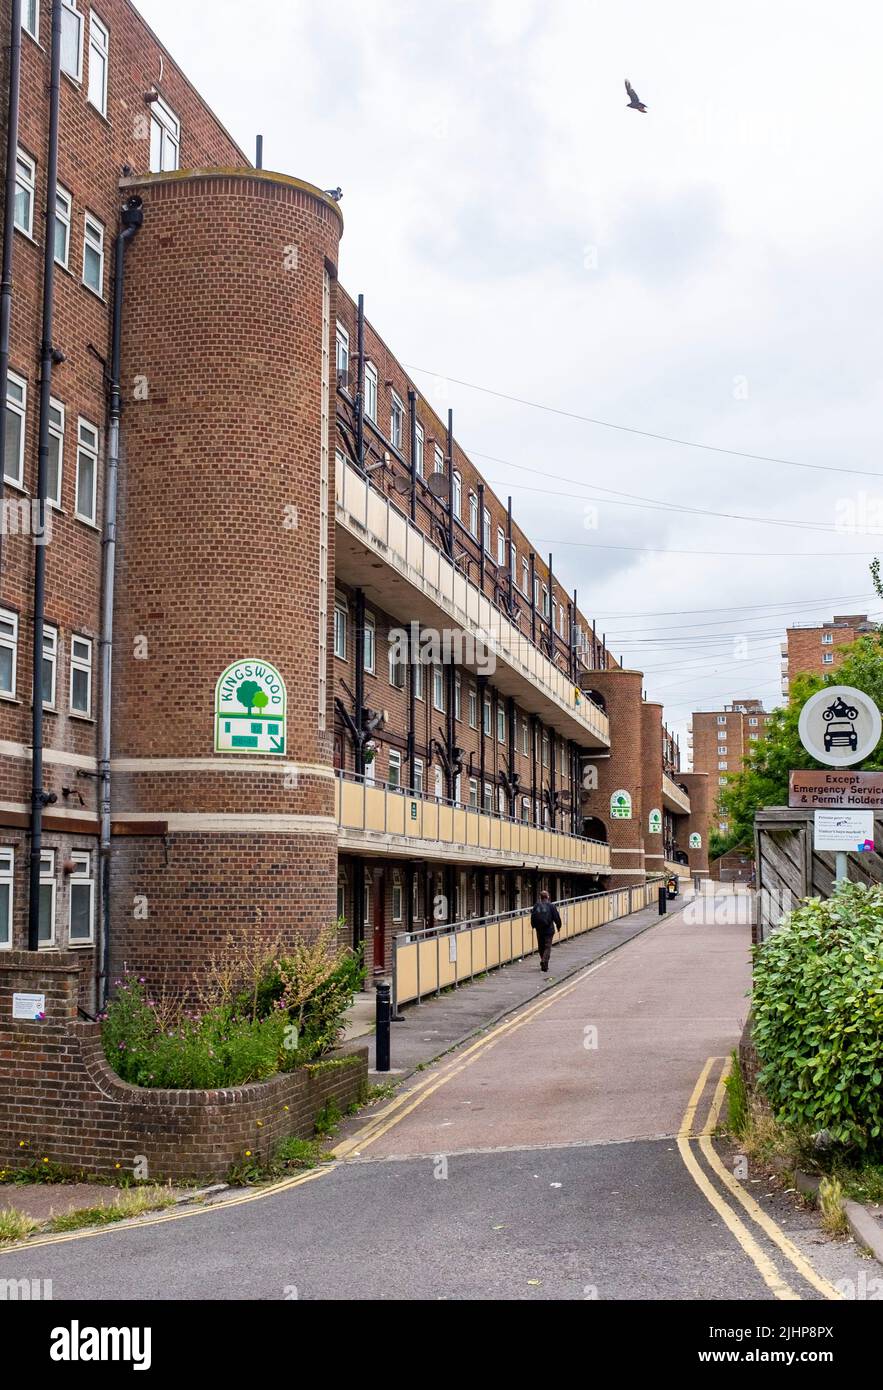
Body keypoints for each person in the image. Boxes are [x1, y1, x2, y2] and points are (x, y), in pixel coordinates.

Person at [531, 889, 562, 973]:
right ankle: (544, 961)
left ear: (540, 897)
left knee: (541, 947)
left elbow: (533, 916)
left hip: (539, 929)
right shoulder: (551, 906)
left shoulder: (536, 905)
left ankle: (544, 964)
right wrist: (559, 926)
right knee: (547, 947)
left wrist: (533, 926)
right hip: (549, 929)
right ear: (547, 897)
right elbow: (556, 917)